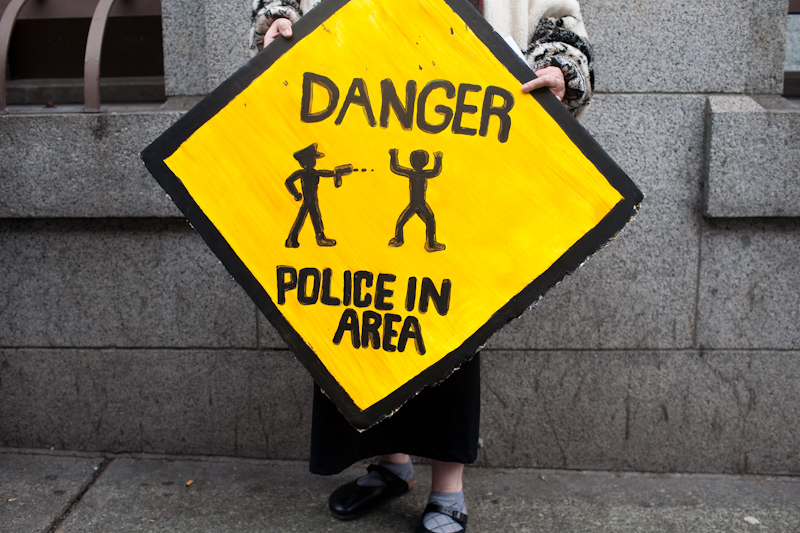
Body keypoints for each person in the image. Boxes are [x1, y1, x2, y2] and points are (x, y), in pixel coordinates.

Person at [250, 1, 594, 531]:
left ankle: (448, 489)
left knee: (451, 318)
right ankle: (392, 464)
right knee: (360, 311)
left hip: (469, 128)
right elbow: (284, 7)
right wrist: (281, 17)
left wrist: (559, 69)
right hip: (356, 106)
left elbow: (557, 18)